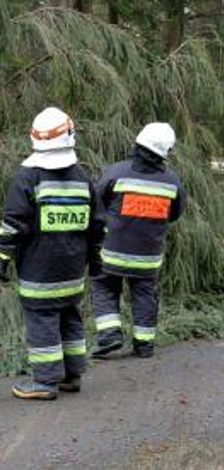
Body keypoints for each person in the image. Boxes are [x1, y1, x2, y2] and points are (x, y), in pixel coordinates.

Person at [0, 107, 105, 400]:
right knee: (69, 316)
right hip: (72, 270)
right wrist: (97, 263)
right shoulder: (82, 177)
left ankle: (45, 382)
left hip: (38, 270)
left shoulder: (28, 177)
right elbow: (98, 226)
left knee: (42, 319)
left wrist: (2, 262)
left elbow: (12, 226)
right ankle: (72, 375)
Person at [91, 123, 186, 359]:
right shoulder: (172, 181)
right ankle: (144, 345)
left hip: (112, 252)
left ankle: (110, 335)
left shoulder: (116, 172)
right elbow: (175, 213)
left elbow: (96, 203)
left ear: (138, 144)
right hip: (149, 255)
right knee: (145, 295)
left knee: (104, 287)